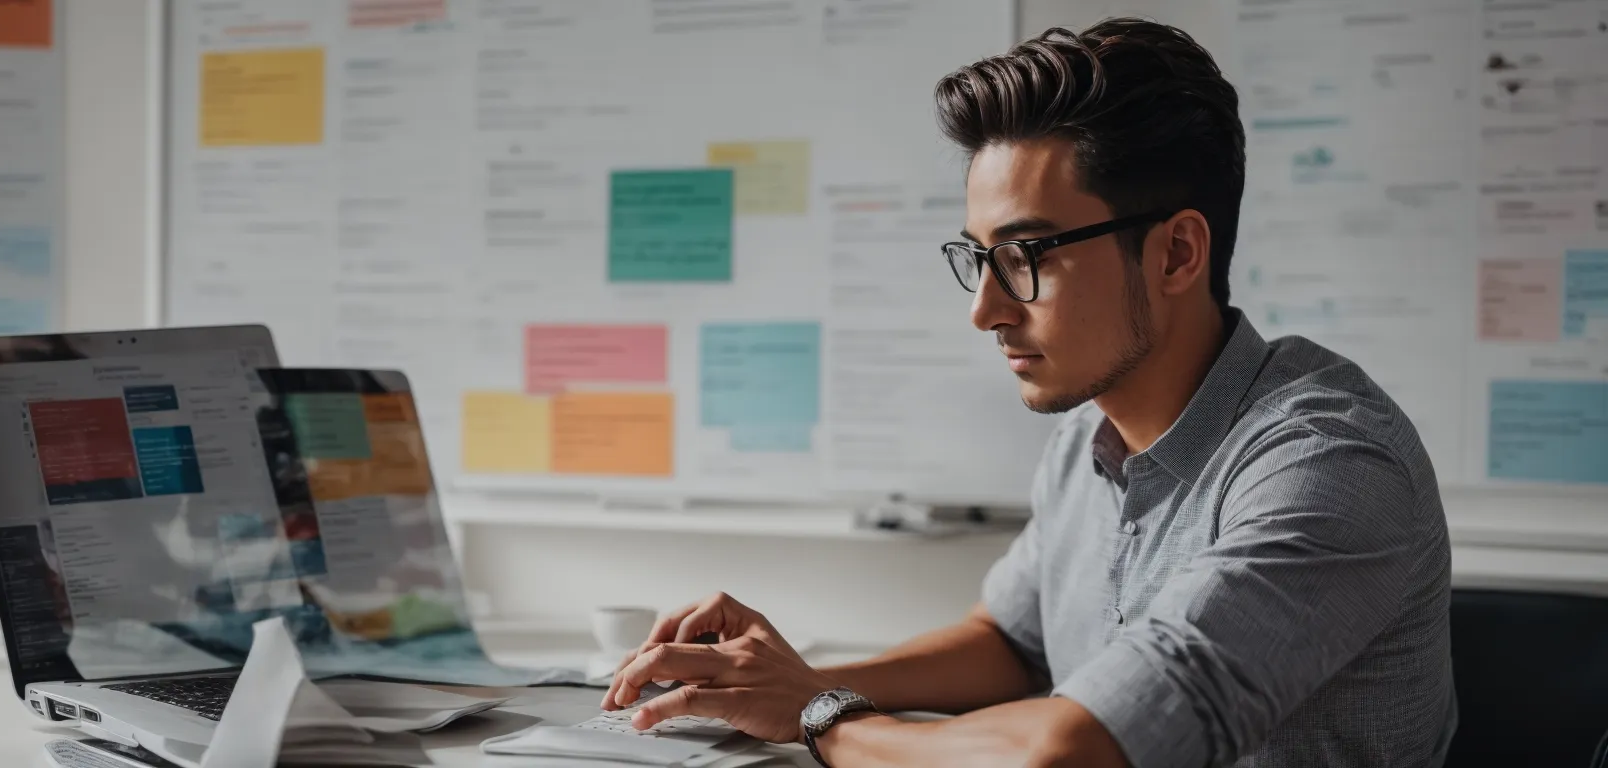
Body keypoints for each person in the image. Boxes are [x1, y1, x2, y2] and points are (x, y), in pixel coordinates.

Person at [601, 18, 1455, 768]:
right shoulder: (1090, 436)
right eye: (978, 257)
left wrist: (821, 717)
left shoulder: (1330, 465)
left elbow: (1073, 751)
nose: (985, 310)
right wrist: (778, 683)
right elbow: (1010, 642)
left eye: (1027, 256)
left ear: (1176, 255)